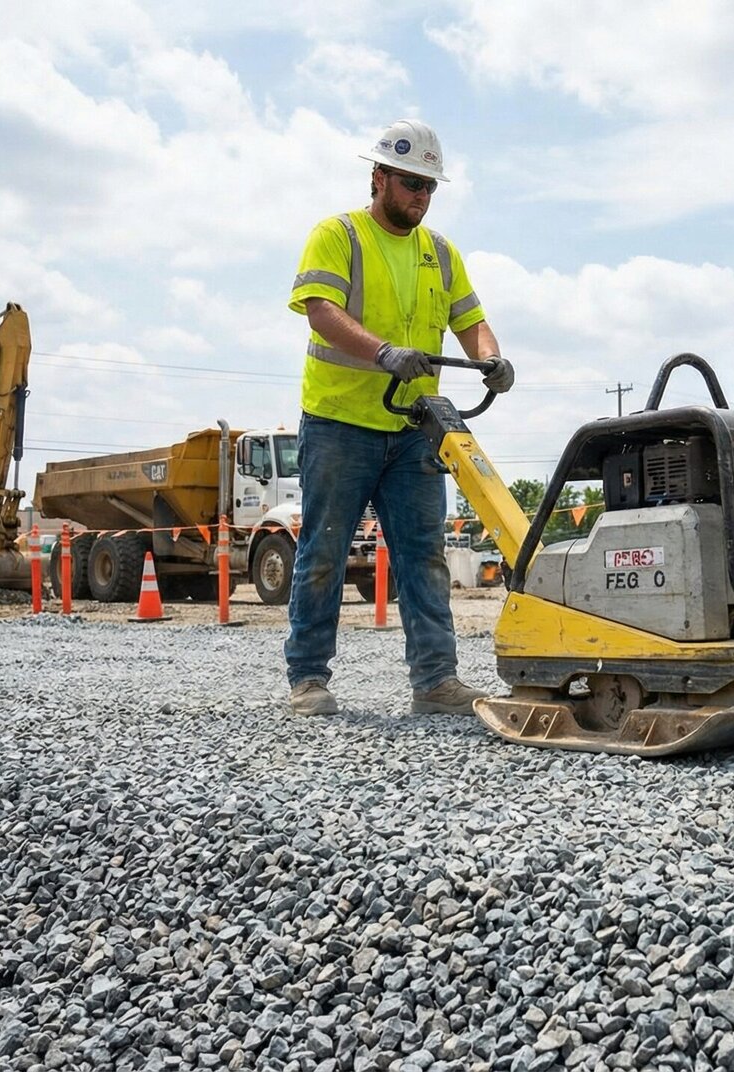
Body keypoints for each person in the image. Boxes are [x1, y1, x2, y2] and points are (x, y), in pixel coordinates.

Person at [283, 118, 515, 717]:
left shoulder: (439, 252)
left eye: (430, 187)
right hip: (339, 423)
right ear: (378, 177)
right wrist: (383, 352)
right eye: (411, 182)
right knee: (325, 549)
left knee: (423, 555)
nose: (421, 195)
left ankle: (435, 682)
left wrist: (489, 359)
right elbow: (320, 310)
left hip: (413, 428)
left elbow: (471, 320)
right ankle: (308, 678)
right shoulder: (339, 236)